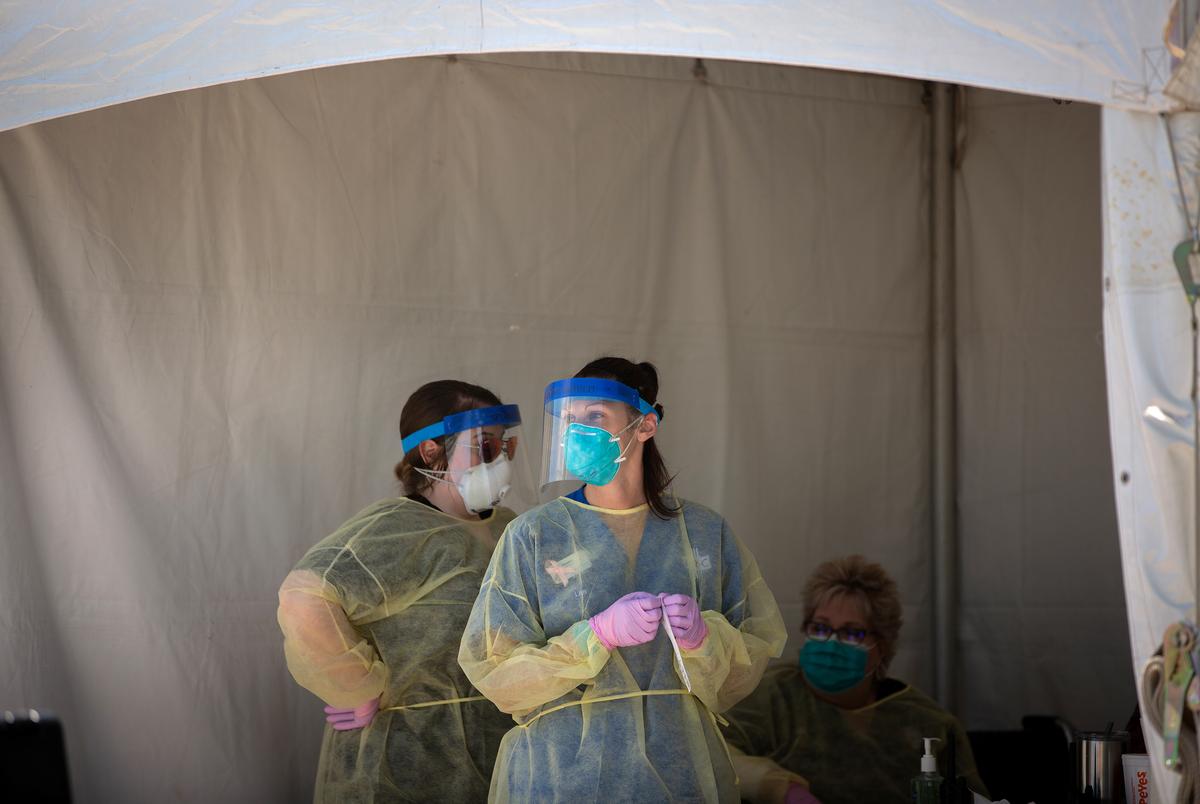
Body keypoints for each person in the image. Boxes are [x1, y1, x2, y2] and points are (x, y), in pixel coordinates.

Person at [459, 357, 787, 803]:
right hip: (561, 777)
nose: (577, 432)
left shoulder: (705, 535)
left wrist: (705, 640)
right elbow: (496, 673)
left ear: (645, 425)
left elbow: (747, 663)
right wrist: (594, 636)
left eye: (594, 417)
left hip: (680, 776)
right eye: (570, 421)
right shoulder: (535, 535)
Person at [277, 380, 526, 802]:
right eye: (485, 447)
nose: (499, 461)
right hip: (403, 764)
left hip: (494, 752)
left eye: (505, 448)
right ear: (431, 451)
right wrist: (356, 688)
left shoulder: (508, 526)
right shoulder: (395, 528)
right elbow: (305, 596)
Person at [722, 555, 988, 804]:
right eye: (821, 628)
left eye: (851, 633)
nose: (831, 642)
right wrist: (778, 788)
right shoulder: (771, 695)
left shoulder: (932, 725)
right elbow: (714, 753)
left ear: (882, 646)